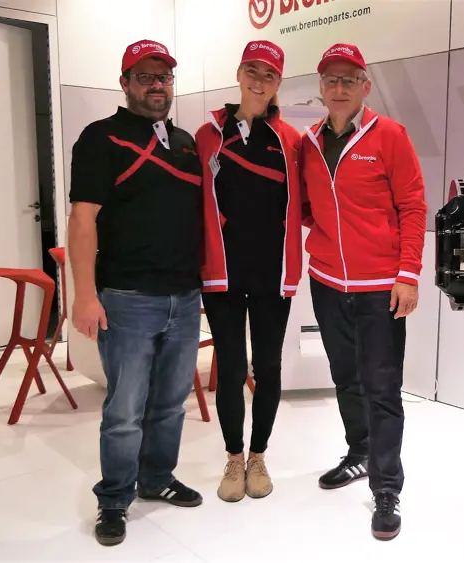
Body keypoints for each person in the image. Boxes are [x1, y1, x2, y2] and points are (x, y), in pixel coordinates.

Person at [67, 39, 205, 547]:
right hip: (127, 298)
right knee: (124, 410)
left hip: (184, 297)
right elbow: (83, 219)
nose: (156, 85)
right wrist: (85, 294)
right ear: (125, 83)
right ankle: (114, 499)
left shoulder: (186, 143)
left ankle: (157, 478)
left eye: (163, 77)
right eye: (144, 77)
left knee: (170, 403)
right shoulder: (100, 138)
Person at [299, 43, 427, 540]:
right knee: (345, 377)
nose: (339, 88)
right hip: (328, 282)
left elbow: (413, 206)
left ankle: (386, 486)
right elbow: (306, 205)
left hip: (380, 288)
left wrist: (407, 273)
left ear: (365, 86)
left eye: (349, 79)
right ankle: (359, 452)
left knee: (382, 388)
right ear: (321, 87)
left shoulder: (389, 135)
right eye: (331, 79)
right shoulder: (309, 143)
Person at [194, 40, 304, 503]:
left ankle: (259, 455)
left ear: (278, 83)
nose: (259, 82)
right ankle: (234, 457)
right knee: (232, 366)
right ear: (239, 74)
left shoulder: (291, 140)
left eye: (269, 74)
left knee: (269, 365)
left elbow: (309, 202)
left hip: (272, 273)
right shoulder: (208, 135)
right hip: (221, 271)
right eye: (252, 71)